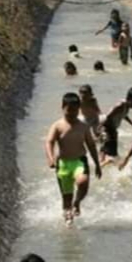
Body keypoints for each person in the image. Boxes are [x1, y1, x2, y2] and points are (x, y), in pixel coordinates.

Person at [45, 92, 102, 225]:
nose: (72, 113)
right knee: (66, 199)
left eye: (75, 111)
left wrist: (97, 164)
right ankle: (68, 222)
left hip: (79, 161)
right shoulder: (57, 126)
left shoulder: (83, 126)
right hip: (63, 163)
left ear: (79, 109)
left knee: (83, 182)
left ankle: (77, 202)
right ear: (62, 108)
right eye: (69, 110)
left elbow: (91, 145)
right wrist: (50, 158)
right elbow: (49, 142)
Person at [98, 87, 132, 166]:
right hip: (108, 128)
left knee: (106, 151)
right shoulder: (121, 105)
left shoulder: (126, 107)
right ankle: (104, 164)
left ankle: (100, 165)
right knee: (111, 153)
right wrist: (100, 128)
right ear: (130, 99)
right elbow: (108, 115)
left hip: (111, 129)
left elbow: (124, 115)